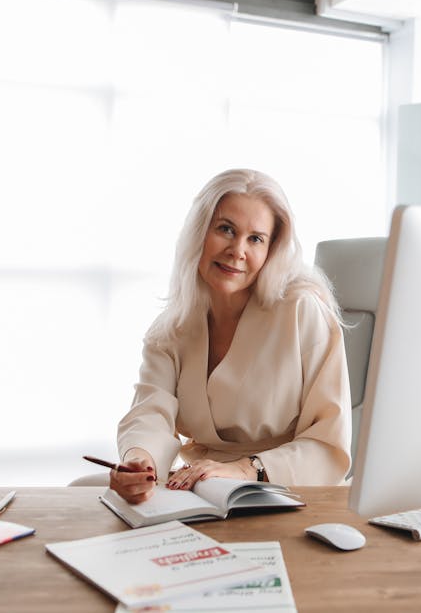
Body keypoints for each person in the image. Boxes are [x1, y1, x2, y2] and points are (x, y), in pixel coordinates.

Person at [110, 168, 352, 504]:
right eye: (226, 229)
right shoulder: (172, 327)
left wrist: (247, 468)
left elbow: (328, 442)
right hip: (204, 490)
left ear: (271, 249)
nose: (238, 250)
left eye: (256, 239)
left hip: (292, 491)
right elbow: (150, 411)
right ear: (200, 233)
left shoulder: (302, 310)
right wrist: (142, 462)